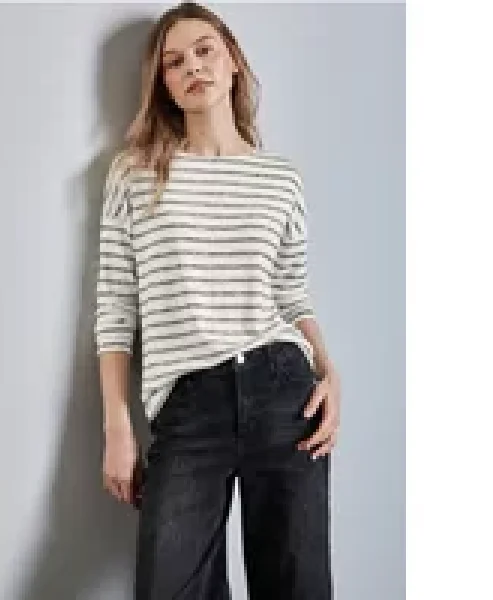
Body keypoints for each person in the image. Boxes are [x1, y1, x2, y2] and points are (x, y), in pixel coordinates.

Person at [95, 2, 341, 598]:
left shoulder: (280, 178)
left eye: (205, 51)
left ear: (232, 61)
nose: (193, 68)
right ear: (163, 84)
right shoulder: (135, 174)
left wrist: (329, 371)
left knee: (296, 585)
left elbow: (292, 291)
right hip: (188, 404)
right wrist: (118, 425)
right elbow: (116, 306)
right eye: (174, 62)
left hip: (284, 390)